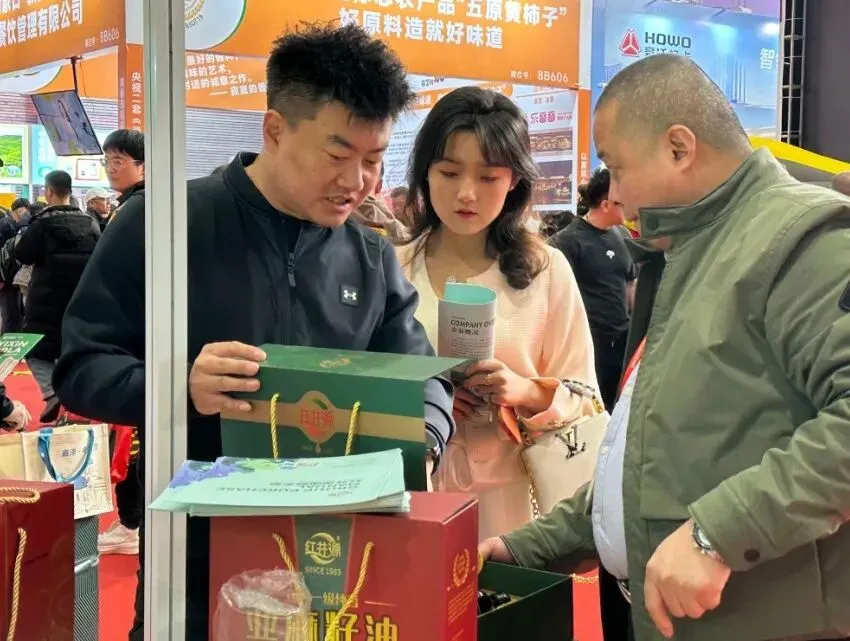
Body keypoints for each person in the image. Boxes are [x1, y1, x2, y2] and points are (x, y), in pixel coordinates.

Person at [52, 24, 454, 641]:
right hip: (193, 567)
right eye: (338, 155)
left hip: (338, 569)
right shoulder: (163, 224)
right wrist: (179, 385)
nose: (358, 182)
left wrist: (423, 441)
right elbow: (81, 367)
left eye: (374, 161)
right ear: (274, 130)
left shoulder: (370, 259)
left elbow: (421, 378)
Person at [479, 53, 850, 641]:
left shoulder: (801, 240)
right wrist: (533, 546)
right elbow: (656, 458)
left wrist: (718, 534)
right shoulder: (693, 250)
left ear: (679, 148)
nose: (613, 191)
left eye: (617, 167)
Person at [398, 86, 597, 540]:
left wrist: (524, 390)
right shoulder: (394, 268)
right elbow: (362, 386)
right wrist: (428, 398)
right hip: (416, 492)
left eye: (488, 177)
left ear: (514, 182)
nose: (466, 193)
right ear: (426, 174)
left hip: (514, 503)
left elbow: (586, 399)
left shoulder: (546, 270)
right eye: (449, 172)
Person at [16, 171, 100, 423]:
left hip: (45, 300)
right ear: (70, 191)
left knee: (34, 350)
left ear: (49, 192)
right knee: (72, 350)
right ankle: (76, 403)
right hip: (81, 300)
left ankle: (52, 393)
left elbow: (23, 255)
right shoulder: (91, 224)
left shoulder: (41, 224)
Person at [550, 168, 637, 412]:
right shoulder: (567, 241)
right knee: (592, 410)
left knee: (618, 408)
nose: (630, 208)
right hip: (590, 345)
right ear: (606, 204)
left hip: (622, 342)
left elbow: (630, 282)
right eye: (623, 202)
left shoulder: (623, 235)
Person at [102, 129, 145, 210]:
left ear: (143, 168)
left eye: (117, 162)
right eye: (106, 161)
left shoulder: (141, 202)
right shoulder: (128, 200)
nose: (109, 169)